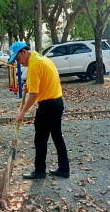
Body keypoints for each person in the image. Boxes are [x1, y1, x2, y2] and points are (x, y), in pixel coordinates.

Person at [8, 42, 70, 179]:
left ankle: (40, 171)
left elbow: (34, 94)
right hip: (58, 103)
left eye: (18, 59)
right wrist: (28, 86)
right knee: (57, 136)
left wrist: (22, 112)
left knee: (41, 139)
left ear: (24, 52)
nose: (19, 63)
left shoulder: (34, 65)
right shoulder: (42, 59)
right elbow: (39, 83)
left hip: (48, 106)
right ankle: (64, 169)